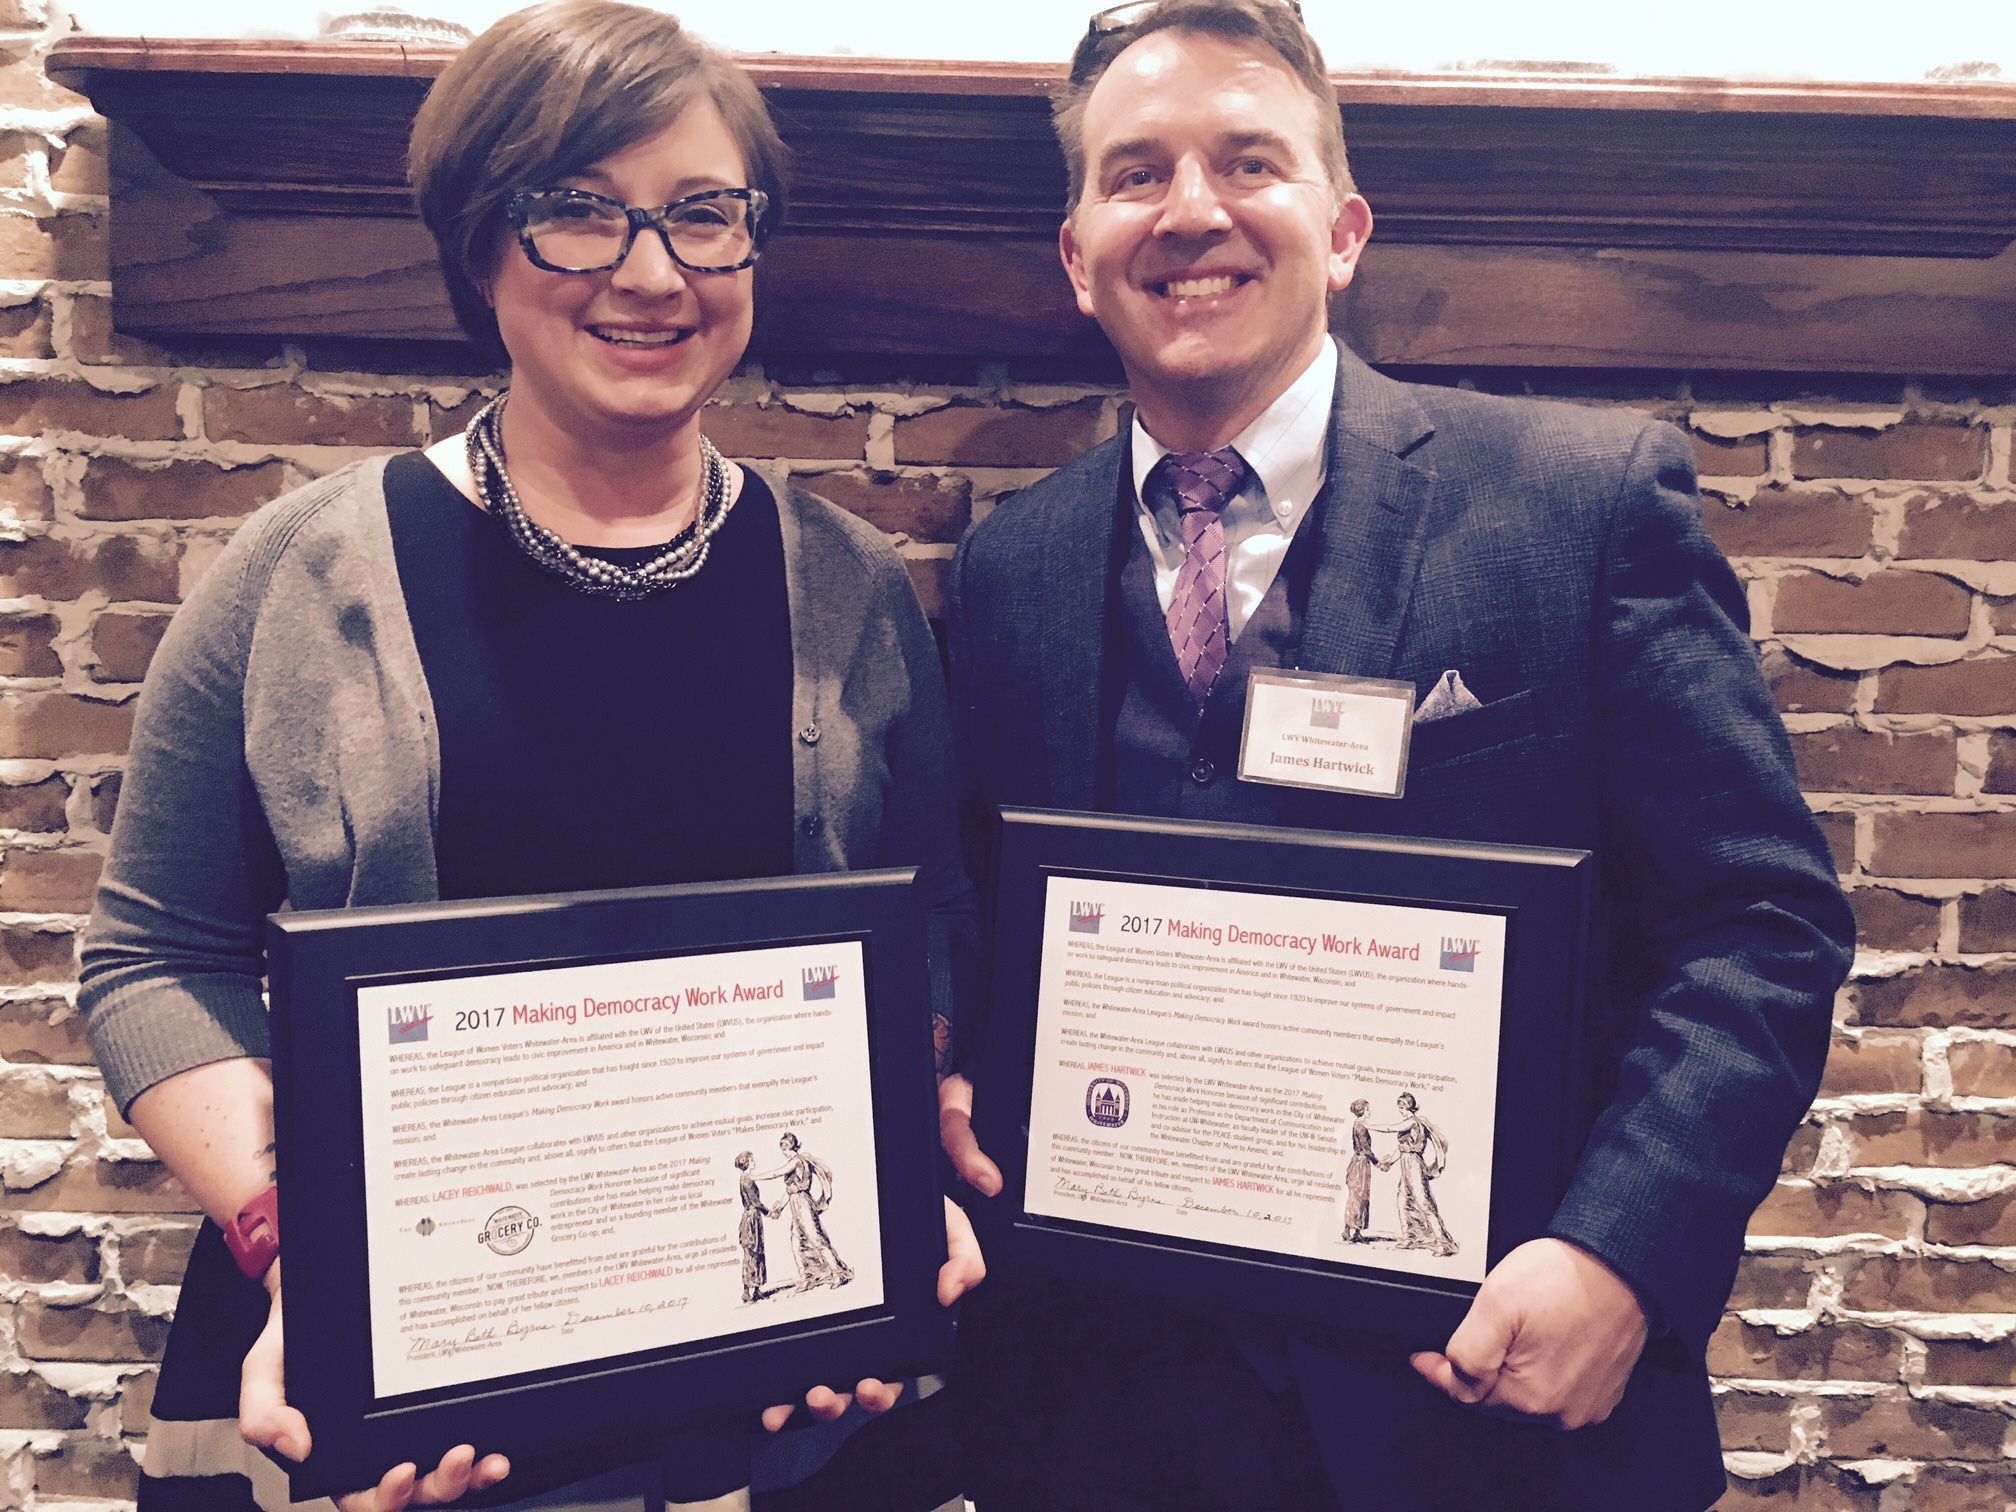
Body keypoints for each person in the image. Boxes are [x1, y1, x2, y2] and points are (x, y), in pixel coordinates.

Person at [936, 2, 1854, 1508]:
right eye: (1135, 172)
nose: (1192, 211)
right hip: (1104, 1425)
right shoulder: (1008, 570)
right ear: (1078, 254)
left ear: (1345, 228)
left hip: (1482, 1414)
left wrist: (1623, 1255)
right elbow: (983, 926)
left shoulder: (1582, 502)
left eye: (1249, 162)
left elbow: (1761, 925)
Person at [78, 5, 980, 1511]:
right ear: (480, 245)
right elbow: (150, 963)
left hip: (773, 1387)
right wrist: (305, 1248)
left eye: (705, 214)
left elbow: (929, 914)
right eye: (578, 210)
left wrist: (892, 1167)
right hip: (395, 1380)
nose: (652, 272)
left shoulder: (856, 588)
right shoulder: (294, 575)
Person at [756, 1132, 854, 1293]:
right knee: (796, 1243)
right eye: (782, 1149)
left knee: (817, 1239)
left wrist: (755, 1177)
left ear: (792, 1147)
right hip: (796, 1204)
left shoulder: (797, 1161)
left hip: (803, 1204)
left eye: (785, 1149)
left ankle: (837, 1273)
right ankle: (806, 1278)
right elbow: (790, 1190)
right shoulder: (793, 1162)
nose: (784, 1152)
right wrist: (780, 1207)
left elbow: (775, 1174)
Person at [1382, 1093, 1456, 1257]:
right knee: (1402, 1201)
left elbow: (1388, 1128)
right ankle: (1409, 1237)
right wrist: (1389, 1162)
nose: (1400, 1110)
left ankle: (1442, 1243)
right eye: (1399, 1107)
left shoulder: (1413, 1122)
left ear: (1409, 1107)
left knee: (1424, 1203)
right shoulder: (1407, 1123)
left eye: (1402, 1107)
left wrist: (1368, 1125)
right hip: (1405, 1164)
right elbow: (1402, 1148)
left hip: (1414, 1164)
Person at [734, 1152, 770, 1304]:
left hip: (752, 1216)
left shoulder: (746, 1178)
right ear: (747, 1163)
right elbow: (755, 1202)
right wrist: (768, 1212)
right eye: (752, 1160)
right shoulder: (747, 1180)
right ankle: (747, 1291)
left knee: (756, 1252)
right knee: (752, 1252)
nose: (755, 1161)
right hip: (752, 1218)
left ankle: (756, 1290)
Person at [1339, 1097, 1374, 1244]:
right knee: (1358, 1196)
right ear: (1364, 1110)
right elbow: (1366, 1149)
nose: (1370, 1111)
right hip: (1361, 1164)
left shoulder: (1359, 1124)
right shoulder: (1361, 1126)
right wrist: (1378, 1163)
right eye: (1368, 1109)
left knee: (1359, 1196)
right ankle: (1350, 1231)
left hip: (1360, 1162)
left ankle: (1355, 1231)